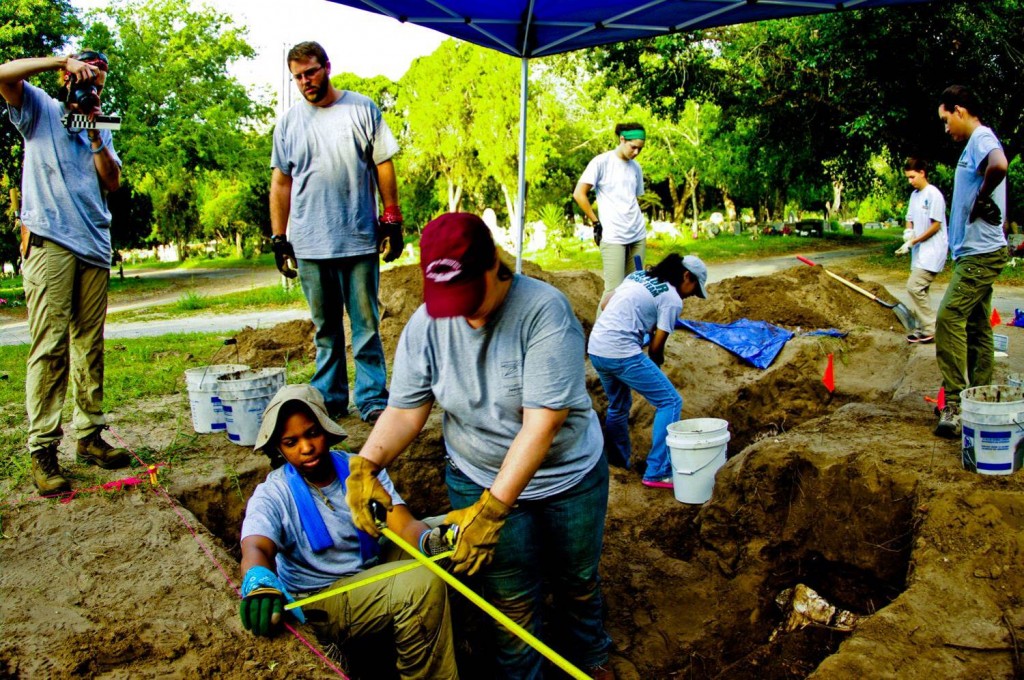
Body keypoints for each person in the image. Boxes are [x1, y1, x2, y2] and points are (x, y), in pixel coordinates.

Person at [345, 213, 614, 679]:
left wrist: (493, 512)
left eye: (471, 295)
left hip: (567, 477)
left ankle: (590, 658)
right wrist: (368, 463)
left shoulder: (544, 312)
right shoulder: (426, 325)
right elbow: (407, 410)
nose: (465, 313)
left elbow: (542, 425)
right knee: (510, 603)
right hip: (477, 472)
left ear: (496, 265)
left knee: (577, 584)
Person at [239, 383, 458, 680]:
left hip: (368, 568)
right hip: (321, 597)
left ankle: (460, 635)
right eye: (291, 442)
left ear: (326, 430)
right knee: (421, 583)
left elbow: (403, 523)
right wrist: (259, 580)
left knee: (457, 535)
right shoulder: (274, 493)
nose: (306, 447)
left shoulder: (358, 470)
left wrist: (428, 541)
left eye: (312, 433)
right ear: (279, 448)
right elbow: (256, 547)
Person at [1, 51, 129, 494]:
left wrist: (95, 133)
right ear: (66, 77)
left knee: (89, 346)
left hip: (94, 243)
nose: (92, 85)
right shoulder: (39, 108)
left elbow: (111, 181)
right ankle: (43, 449)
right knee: (51, 346)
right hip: (51, 240)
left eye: (99, 79)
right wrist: (62, 60)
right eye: (85, 76)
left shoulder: (102, 124)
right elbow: (2, 74)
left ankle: (90, 435)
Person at [269, 41, 404, 424]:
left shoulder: (361, 109)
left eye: (310, 72)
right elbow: (281, 183)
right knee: (325, 329)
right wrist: (280, 237)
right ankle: (330, 399)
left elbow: (384, 165)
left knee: (365, 326)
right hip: (310, 244)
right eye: (297, 76)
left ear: (326, 66)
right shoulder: (289, 123)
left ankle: (373, 398)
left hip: (358, 238)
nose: (305, 81)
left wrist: (391, 218)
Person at [588, 254, 708, 488]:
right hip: (621, 352)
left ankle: (618, 463)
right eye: (692, 289)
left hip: (597, 347)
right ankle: (658, 471)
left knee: (618, 407)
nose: (689, 295)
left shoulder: (639, 275)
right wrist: (657, 357)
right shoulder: (672, 299)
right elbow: (655, 348)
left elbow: (605, 304)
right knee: (670, 402)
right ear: (686, 276)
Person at [933, 85, 1009, 439]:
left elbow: (1000, 165)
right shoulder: (971, 145)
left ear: (959, 110)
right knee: (978, 328)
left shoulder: (981, 137)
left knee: (948, 318)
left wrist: (980, 200)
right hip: (972, 253)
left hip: (980, 255)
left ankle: (955, 405)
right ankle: (981, 398)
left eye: (946, 119)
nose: (945, 127)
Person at [573, 123, 648, 313]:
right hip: (614, 237)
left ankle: (628, 336)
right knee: (612, 293)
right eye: (633, 147)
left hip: (637, 235)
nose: (637, 152)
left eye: (640, 148)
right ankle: (599, 341)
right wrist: (596, 222)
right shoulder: (601, 163)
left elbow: (633, 199)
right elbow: (579, 194)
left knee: (635, 289)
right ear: (622, 139)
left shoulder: (636, 168)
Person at [896, 157, 948, 344]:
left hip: (933, 251)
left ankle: (931, 327)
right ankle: (922, 329)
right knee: (922, 290)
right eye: (907, 178)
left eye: (912, 177)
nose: (910, 181)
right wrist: (908, 232)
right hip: (919, 252)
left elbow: (936, 226)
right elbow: (909, 218)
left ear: (922, 173)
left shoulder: (933, 194)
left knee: (914, 287)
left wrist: (914, 241)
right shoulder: (914, 196)